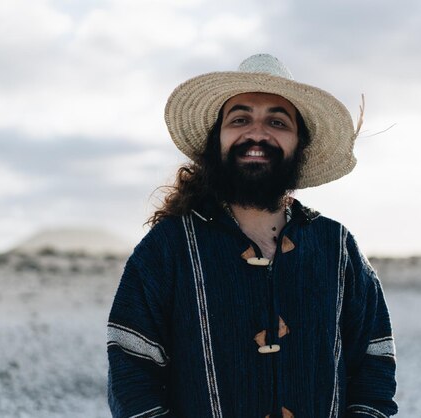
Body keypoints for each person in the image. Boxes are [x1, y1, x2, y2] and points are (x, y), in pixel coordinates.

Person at [107, 53, 397, 418]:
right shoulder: (169, 247)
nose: (257, 133)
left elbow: (374, 358)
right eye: (240, 119)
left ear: (299, 145)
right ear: (218, 139)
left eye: (277, 121)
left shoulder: (337, 247)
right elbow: (131, 367)